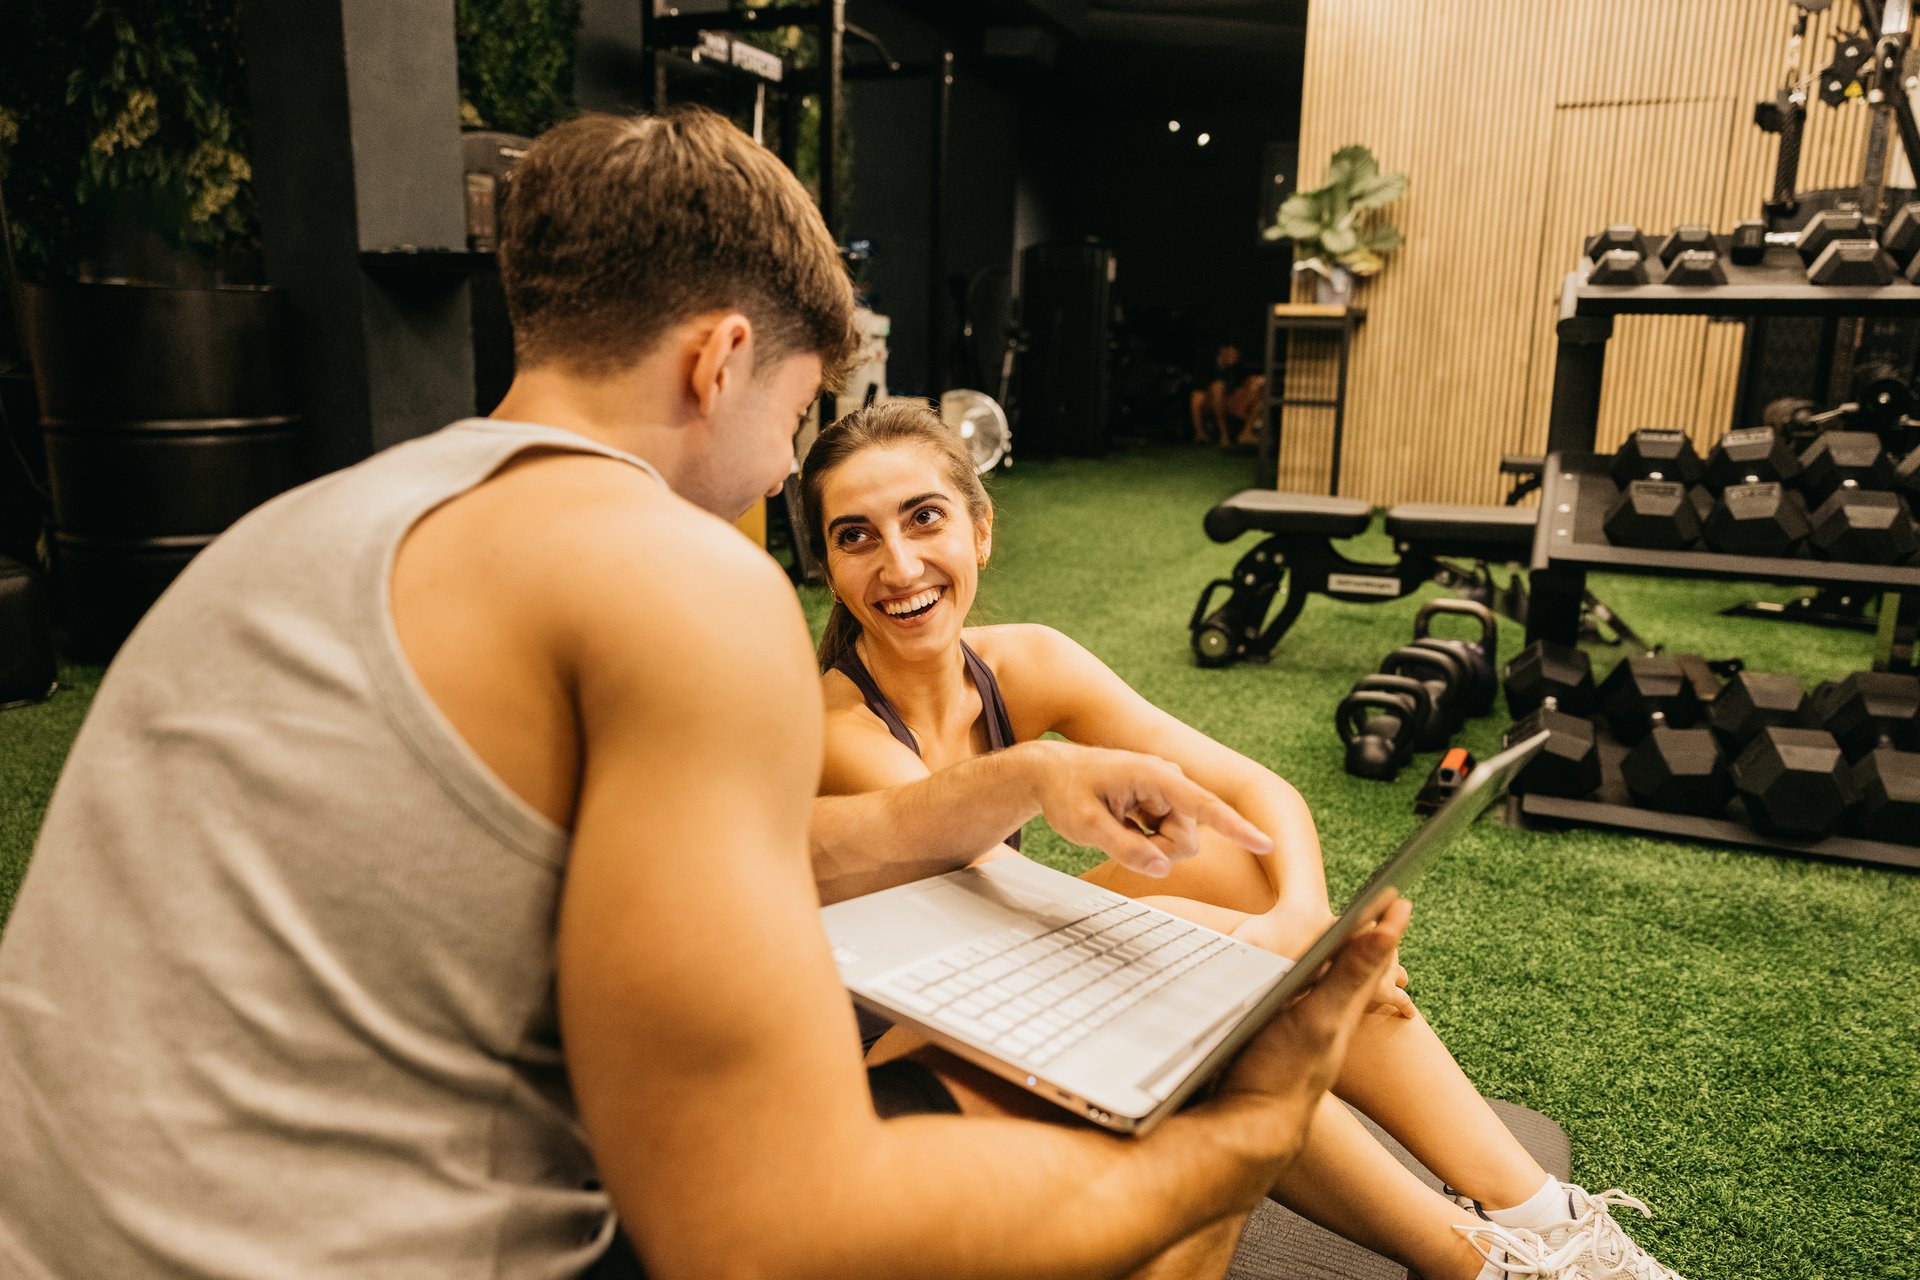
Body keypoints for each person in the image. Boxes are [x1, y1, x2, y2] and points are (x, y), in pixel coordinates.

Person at [0, 107, 1427, 1280]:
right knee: (1099, 1091)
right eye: (799, 422)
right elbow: (759, 1240)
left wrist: (1018, 783)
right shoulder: (680, 573)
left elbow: (710, 855)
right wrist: (1242, 1133)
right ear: (721, 359)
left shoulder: (306, 524)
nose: (778, 480)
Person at [801, 399, 1692, 1280]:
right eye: (857, 536)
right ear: (831, 567)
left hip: (1001, 983)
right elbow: (1014, 906)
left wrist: (1302, 920)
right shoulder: (843, 728)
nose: (900, 563)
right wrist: (1276, 967)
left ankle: (1544, 1215)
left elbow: (1251, 791)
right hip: (894, 1061)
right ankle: (1478, 1262)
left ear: (981, 529)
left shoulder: (1021, 662)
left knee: (1231, 868)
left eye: (925, 518)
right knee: (1243, 1000)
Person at [1190, 339, 1266, 447]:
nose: (1234, 357)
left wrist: (1257, 382)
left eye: (1236, 355)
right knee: (1206, 392)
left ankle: (1246, 433)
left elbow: (1243, 384)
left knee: (1259, 393)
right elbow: (1199, 390)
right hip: (1210, 405)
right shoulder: (1207, 365)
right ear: (1222, 351)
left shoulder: (1238, 367)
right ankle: (1207, 434)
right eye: (1231, 354)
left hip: (1232, 405)